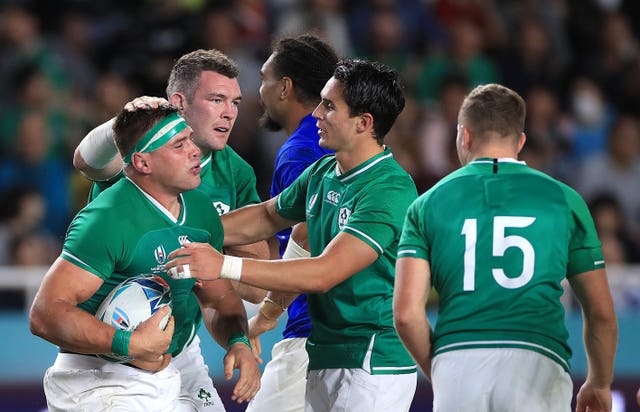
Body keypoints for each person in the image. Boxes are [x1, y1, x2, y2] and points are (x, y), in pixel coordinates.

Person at [166, 58, 419, 412]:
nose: (315, 113)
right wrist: (179, 230)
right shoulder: (324, 170)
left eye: (329, 105)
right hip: (323, 353)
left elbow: (323, 272)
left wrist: (222, 264)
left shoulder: (389, 189)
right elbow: (269, 215)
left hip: (372, 363)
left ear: (364, 123)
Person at [392, 83, 618, 412]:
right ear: (521, 141)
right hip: (538, 362)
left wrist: (442, 367)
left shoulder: (427, 204)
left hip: (458, 361)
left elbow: (405, 315)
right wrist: (599, 382)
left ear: (464, 136)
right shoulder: (564, 200)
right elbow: (601, 314)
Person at [29, 106, 260, 411]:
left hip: (172, 371)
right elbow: (44, 314)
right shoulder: (106, 219)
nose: (194, 152)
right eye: (179, 145)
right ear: (142, 162)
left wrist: (237, 341)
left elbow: (217, 299)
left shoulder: (203, 211)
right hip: (96, 379)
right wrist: (132, 344)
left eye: (190, 140)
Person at [73, 48, 270, 302]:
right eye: (217, 100)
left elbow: (256, 290)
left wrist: (198, 239)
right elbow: (84, 162)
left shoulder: (237, 172)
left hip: (176, 330)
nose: (229, 113)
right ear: (179, 102)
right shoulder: (141, 145)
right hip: (102, 317)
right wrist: (122, 124)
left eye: (235, 103)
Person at [245, 34, 338, 412]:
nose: (260, 89)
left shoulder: (300, 152)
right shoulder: (339, 147)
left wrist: (267, 311)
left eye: (265, 78)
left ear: (284, 88)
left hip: (312, 334)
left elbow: (309, 236)